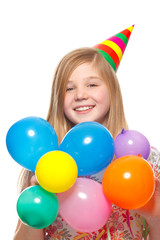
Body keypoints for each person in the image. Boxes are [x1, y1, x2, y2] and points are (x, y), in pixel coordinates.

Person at [13, 27, 160, 240]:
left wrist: (155, 216)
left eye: (92, 84)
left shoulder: (145, 160)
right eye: (69, 88)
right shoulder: (46, 160)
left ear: (112, 91)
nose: (81, 95)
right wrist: (38, 199)